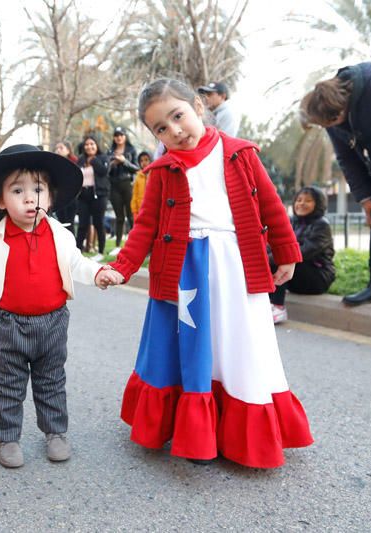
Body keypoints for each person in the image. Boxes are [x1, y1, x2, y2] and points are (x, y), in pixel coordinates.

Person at [109, 78, 313, 468]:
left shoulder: (239, 154)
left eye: (178, 116)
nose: (175, 131)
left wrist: (287, 252)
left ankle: (240, 434)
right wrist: (121, 267)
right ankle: (195, 432)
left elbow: (271, 206)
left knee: (237, 345)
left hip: (237, 267)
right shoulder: (162, 170)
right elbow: (145, 226)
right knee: (193, 347)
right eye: (161, 129)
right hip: (183, 270)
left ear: (199, 109)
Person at [0, 144, 122, 468]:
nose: (30, 198)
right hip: (9, 323)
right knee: (7, 384)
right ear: (0, 200)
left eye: (38, 189)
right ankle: (8, 437)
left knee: (51, 380)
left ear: (50, 198)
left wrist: (99, 273)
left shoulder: (61, 236)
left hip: (53, 322)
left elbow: (76, 263)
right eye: (17, 190)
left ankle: (55, 432)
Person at [300, 62, 371, 306]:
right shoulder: (332, 117)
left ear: (342, 105)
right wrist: (364, 197)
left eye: (333, 121)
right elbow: (346, 158)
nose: (332, 127)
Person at [270, 186, 336, 323]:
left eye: (308, 200)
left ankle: (278, 308)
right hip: (295, 277)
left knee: (284, 258)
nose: (301, 204)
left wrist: (271, 258)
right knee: (276, 255)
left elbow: (304, 252)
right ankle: (268, 303)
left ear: (318, 204)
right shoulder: (291, 221)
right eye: (299, 200)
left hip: (317, 277)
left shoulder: (322, 225)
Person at [75, 136, 109, 260]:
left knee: (98, 223)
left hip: (99, 195)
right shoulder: (80, 160)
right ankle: (77, 252)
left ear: (96, 145)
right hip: (83, 195)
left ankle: (100, 252)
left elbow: (103, 171)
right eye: (87, 144)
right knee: (83, 224)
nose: (89, 146)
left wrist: (93, 161)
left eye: (92, 144)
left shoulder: (103, 158)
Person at [107, 127, 138, 240]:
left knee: (130, 215)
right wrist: (112, 163)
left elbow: (137, 168)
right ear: (114, 138)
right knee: (119, 217)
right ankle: (118, 244)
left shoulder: (131, 150)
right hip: (114, 185)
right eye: (116, 135)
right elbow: (105, 170)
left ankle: (136, 241)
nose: (119, 138)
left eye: (121, 135)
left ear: (125, 136)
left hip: (127, 184)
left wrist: (124, 161)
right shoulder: (110, 151)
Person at [53, 141, 78, 236]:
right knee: (61, 222)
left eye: (61, 148)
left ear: (68, 150)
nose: (58, 150)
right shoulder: (54, 163)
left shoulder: (74, 161)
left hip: (71, 196)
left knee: (69, 222)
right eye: (57, 148)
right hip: (58, 196)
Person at [130, 151, 152, 220]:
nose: (144, 162)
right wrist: (134, 211)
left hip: (152, 210)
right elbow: (135, 195)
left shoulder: (154, 175)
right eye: (141, 161)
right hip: (140, 210)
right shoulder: (138, 176)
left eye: (146, 160)